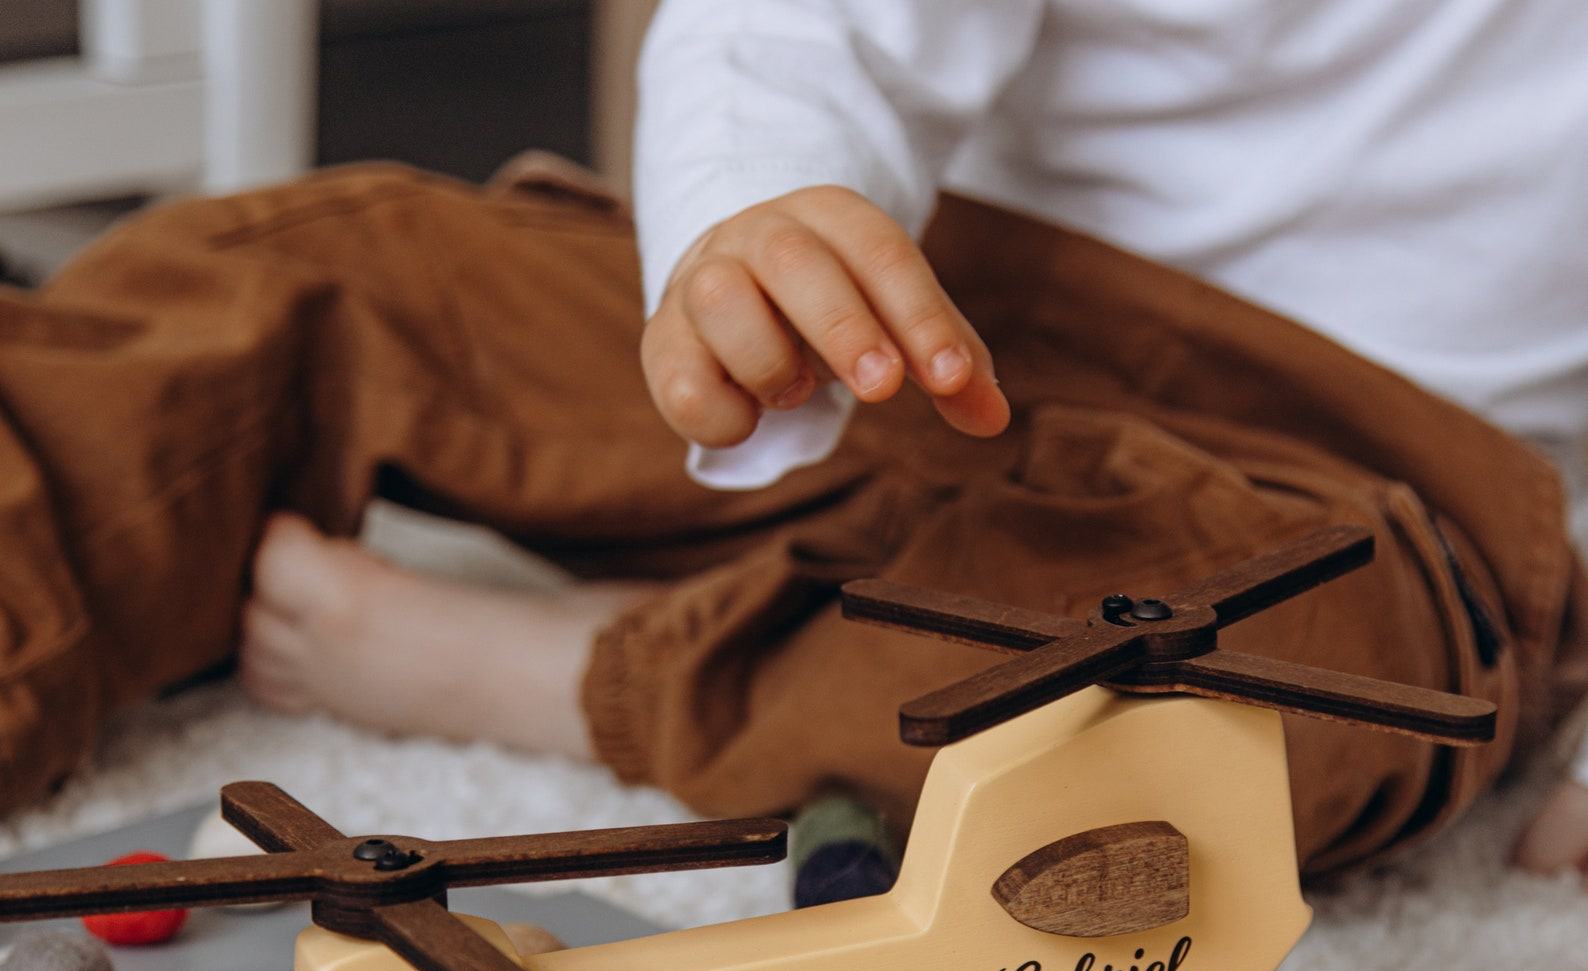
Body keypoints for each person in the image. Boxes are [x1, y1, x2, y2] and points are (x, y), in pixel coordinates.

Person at [1, 2, 1586, 882]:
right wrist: (757, 213)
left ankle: (594, 672)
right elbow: (798, 27)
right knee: (328, 281)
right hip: (919, 299)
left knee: (1301, 692)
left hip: (1384, 485)